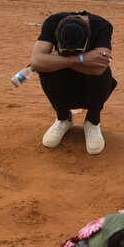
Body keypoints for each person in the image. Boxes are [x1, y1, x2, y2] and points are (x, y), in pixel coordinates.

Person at [28, 10, 116, 155]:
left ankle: (93, 121)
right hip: (64, 82)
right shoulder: (52, 22)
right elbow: (36, 61)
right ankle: (64, 118)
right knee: (45, 70)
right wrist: (81, 59)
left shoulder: (102, 26)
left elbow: (99, 69)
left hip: (90, 84)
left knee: (104, 73)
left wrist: (54, 59)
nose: (70, 51)